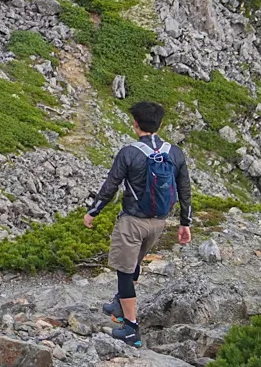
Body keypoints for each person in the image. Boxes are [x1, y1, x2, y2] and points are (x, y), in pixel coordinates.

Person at [82, 99, 192, 346]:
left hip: (132, 221)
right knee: (136, 262)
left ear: (135, 124)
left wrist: (93, 211)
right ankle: (119, 304)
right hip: (159, 223)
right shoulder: (174, 152)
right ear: (160, 123)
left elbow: (111, 186)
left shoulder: (129, 153)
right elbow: (184, 189)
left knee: (125, 269)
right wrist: (185, 223)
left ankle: (131, 327)